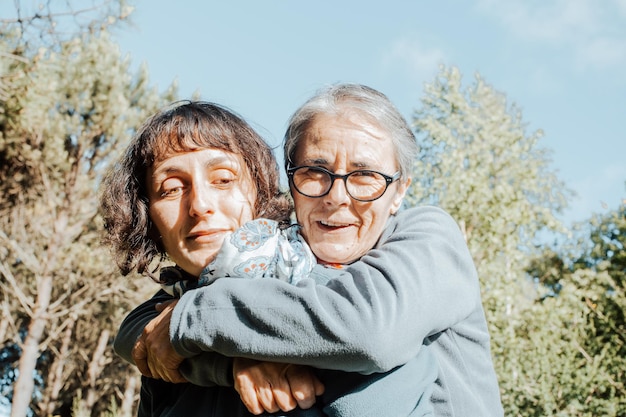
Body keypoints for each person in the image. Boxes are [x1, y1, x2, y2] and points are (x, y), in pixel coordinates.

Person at [115, 84, 504, 416]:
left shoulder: (423, 239)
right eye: (315, 173)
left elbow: (368, 332)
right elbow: (144, 331)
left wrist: (192, 325)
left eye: (365, 175)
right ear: (290, 185)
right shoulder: (274, 269)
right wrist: (230, 362)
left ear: (400, 190)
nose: (337, 197)